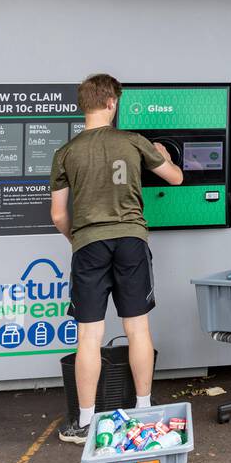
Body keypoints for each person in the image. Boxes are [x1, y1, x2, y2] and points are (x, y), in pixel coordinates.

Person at [50, 74, 184, 443]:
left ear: (84, 105)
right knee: (137, 328)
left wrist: (78, 239)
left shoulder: (67, 152)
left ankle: (85, 422)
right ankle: (143, 410)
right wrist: (167, 156)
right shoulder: (133, 142)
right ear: (112, 102)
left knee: (88, 336)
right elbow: (175, 178)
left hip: (88, 244)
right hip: (130, 240)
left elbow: (59, 215)